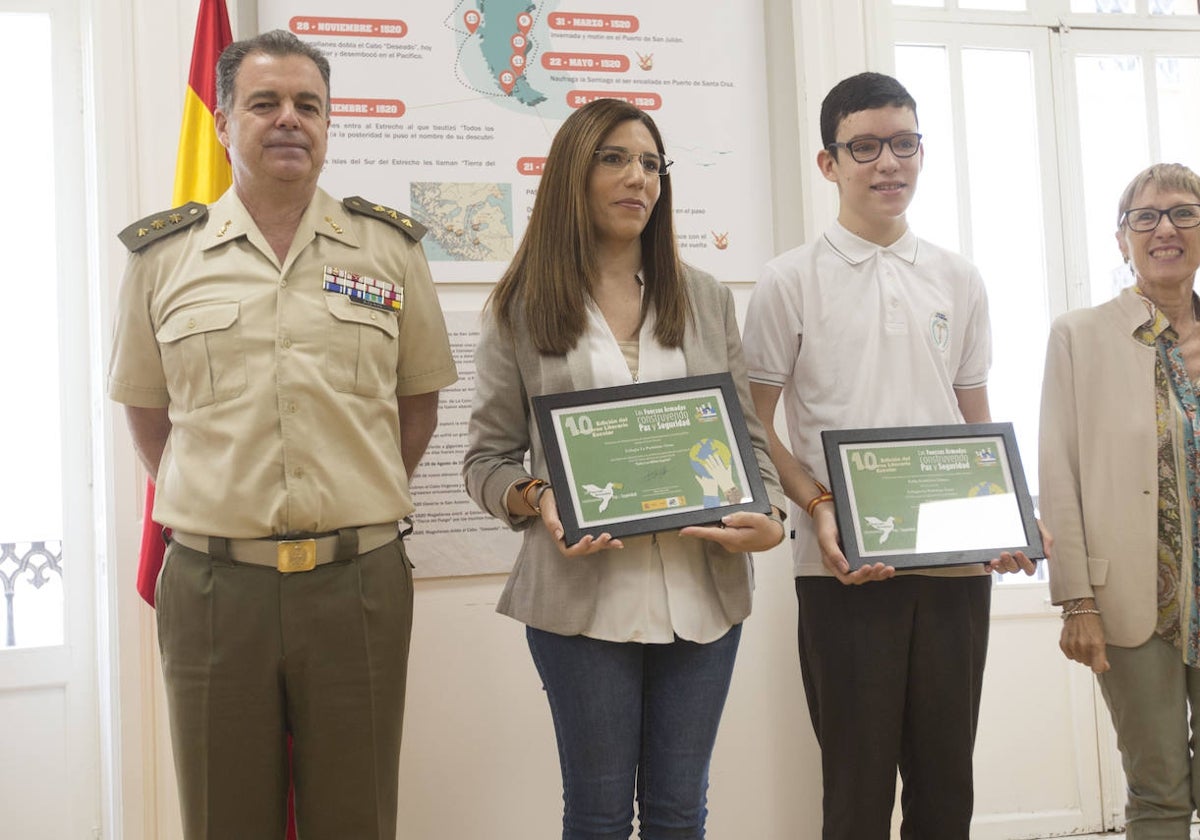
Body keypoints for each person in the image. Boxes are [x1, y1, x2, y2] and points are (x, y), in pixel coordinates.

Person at [107, 30, 457, 840]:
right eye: (265, 103)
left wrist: (349, 495)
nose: (289, 119)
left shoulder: (390, 250)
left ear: (330, 124)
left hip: (357, 584)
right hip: (213, 589)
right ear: (224, 122)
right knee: (222, 817)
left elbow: (417, 408)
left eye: (309, 105)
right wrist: (223, 499)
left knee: (356, 817)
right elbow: (148, 415)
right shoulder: (164, 258)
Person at [462, 97, 787, 839]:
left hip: (704, 598)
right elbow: (485, 459)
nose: (636, 177)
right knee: (600, 816)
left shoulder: (703, 296)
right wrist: (538, 496)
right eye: (613, 159)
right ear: (573, 175)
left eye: (649, 163)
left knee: (679, 813)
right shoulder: (521, 304)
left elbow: (746, 437)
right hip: (580, 604)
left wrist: (769, 518)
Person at [741, 71, 1038, 839]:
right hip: (843, 567)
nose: (889, 164)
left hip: (954, 567)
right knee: (856, 791)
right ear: (828, 162)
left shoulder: (958, 277)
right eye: (865, 147)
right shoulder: (788, 280)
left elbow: (973, 416)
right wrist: (819, 507)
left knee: (946, 791)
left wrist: (1009, 516)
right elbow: (755, 424)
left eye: (904, 144)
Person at [1041, 162, 1200, 839]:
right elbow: (1060, 472)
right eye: (1146, 216)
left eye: (1184, 213)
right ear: (1121, 239)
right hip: (1134, 603)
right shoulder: (1080, 336)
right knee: (1159, 789)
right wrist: (1076, 598)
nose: (1165, 227)